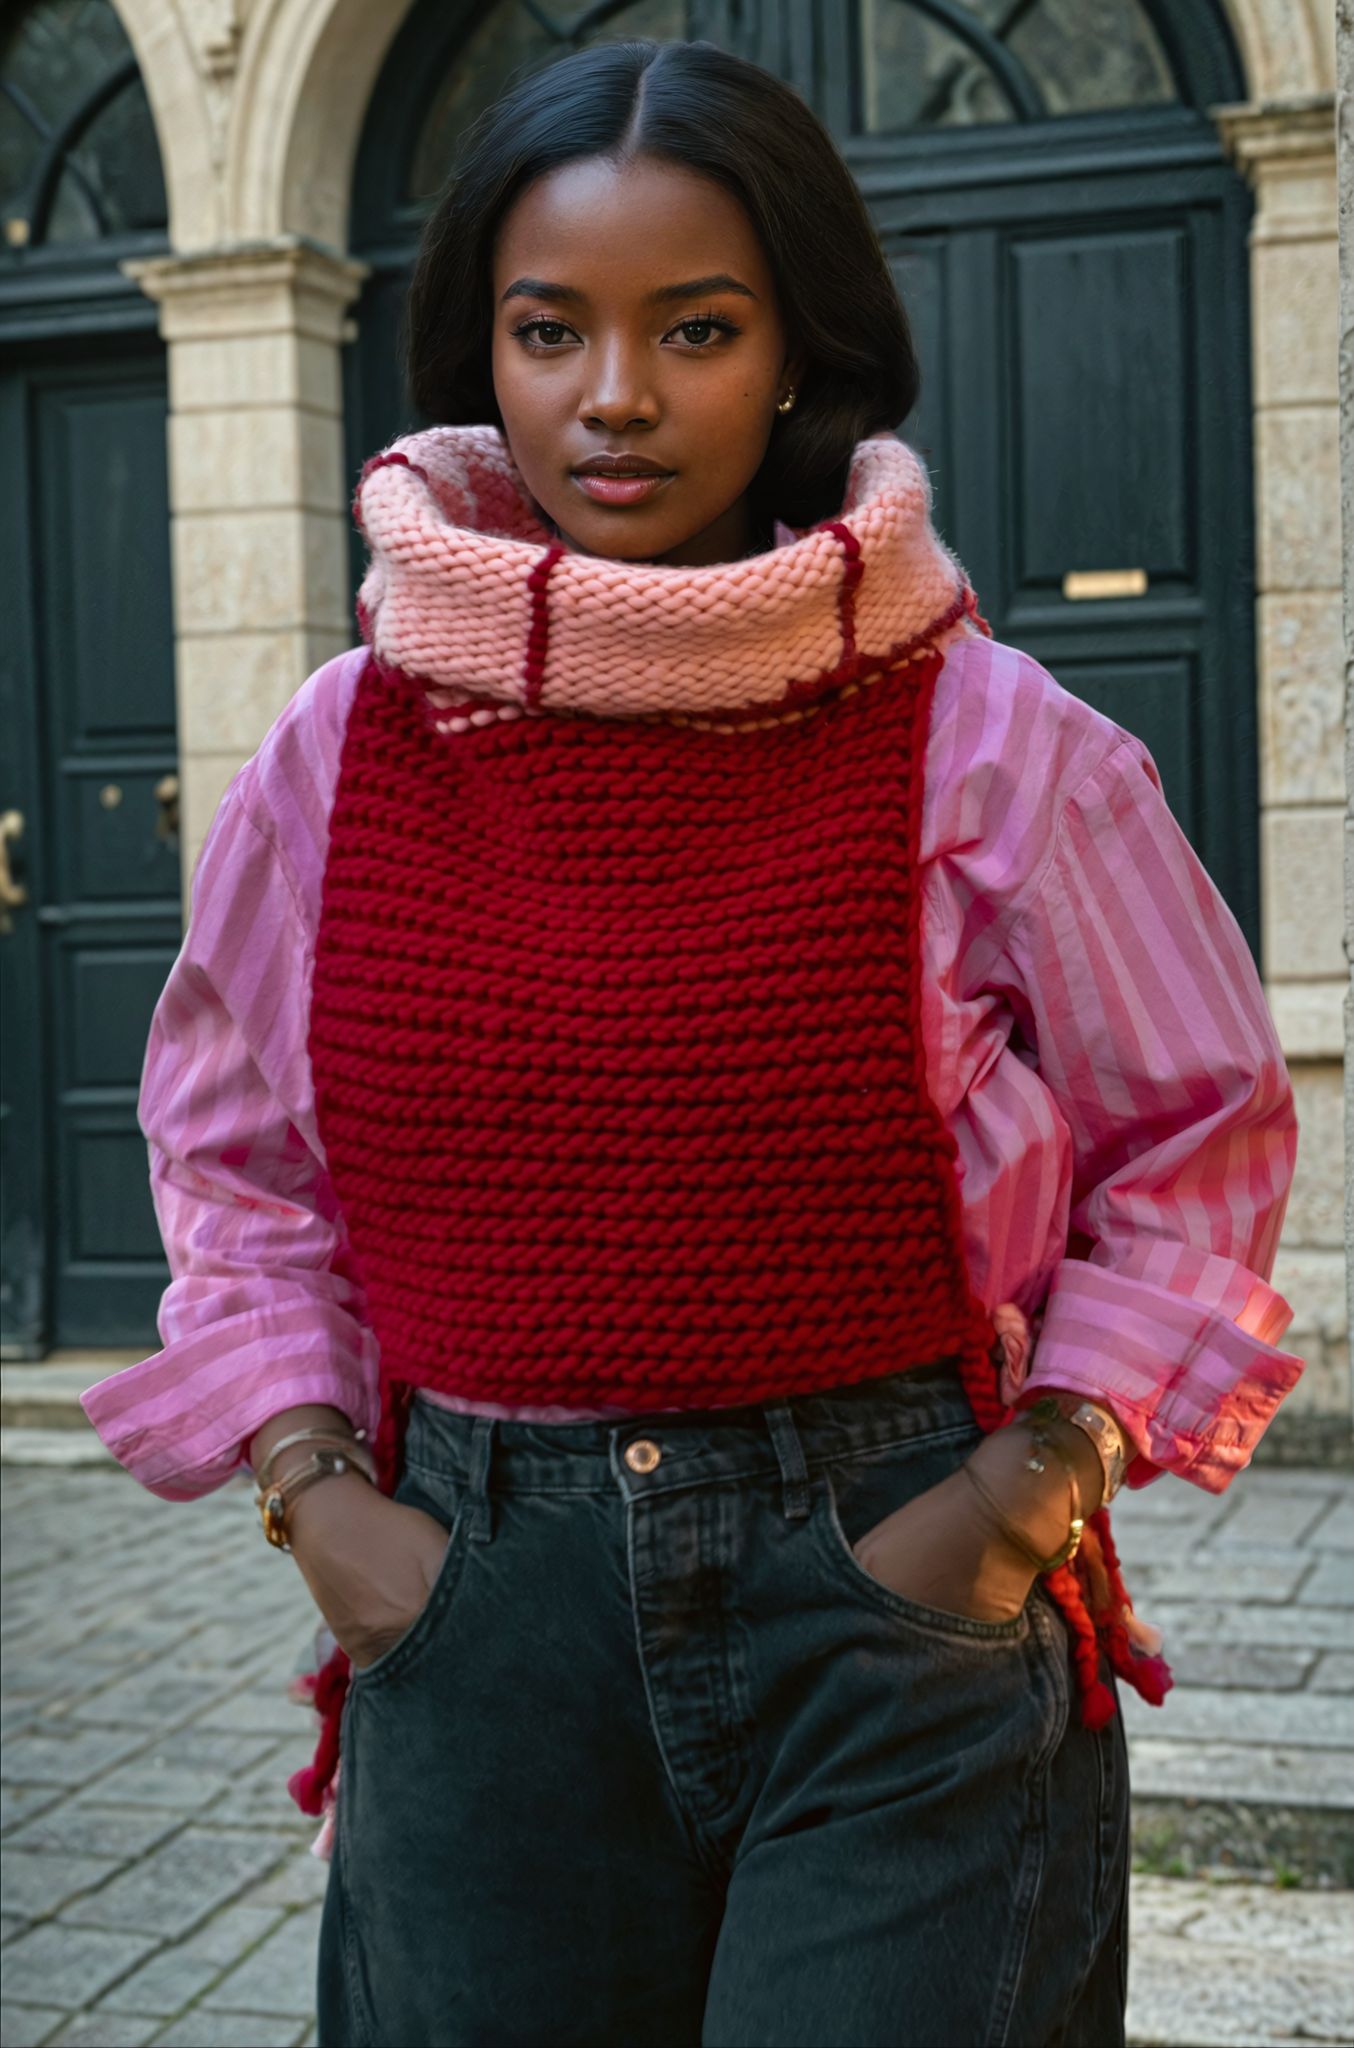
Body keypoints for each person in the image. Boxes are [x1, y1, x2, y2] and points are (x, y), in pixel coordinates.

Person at [82, 37, 1304, 2048]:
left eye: (696, 328)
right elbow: (234, 1157)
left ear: (799, 348)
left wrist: (1022, 1491)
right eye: (547, 329)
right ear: (484, 346)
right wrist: (325, 1503)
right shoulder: (343, 749)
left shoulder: (988, 739)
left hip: (889, 1594)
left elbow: (1193, 1141)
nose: (615, 395)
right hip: (470, 1602)